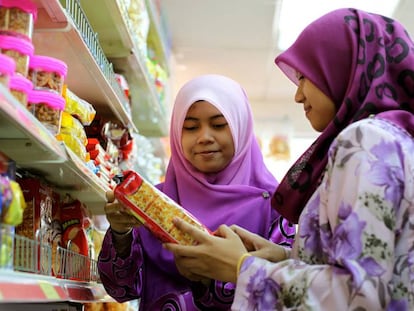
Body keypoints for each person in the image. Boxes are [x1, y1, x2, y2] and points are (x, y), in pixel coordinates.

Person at [164, 8, 414, 310]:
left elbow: (360, 296)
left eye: (304, 76)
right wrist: (286, 257)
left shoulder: (366, 140)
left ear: (340, 68)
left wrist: (242, 268)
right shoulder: (394, 139)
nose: (298, 95)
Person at [97, 74, 295, 310]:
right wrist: (121, 233)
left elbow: (287, 296)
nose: (204, 137)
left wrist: (217, 273)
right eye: (190, 127)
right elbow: (122, 288)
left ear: (241, 127)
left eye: (219, 125)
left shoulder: (276, 208)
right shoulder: (150, 203)